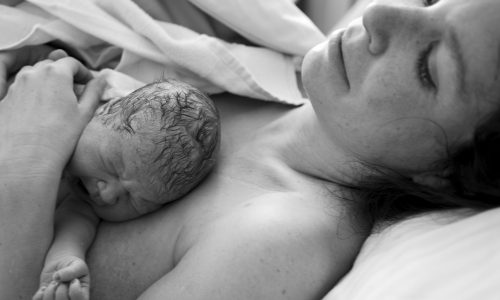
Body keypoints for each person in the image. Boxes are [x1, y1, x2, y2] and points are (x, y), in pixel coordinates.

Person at [1, 0, 500, 299]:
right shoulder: (264, 78)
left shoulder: (276, 238)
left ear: (445, 173)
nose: (382, 14)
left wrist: (24, 162)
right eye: (431, 2)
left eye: (428, 65)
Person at [0, 48, 220, 299]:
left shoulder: (86, 200)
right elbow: (42, 65)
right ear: (105, 110)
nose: (107, 194)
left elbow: (75, 222)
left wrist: (63, 260)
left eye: (136, 199)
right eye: (112, 164)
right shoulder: (70, 97)